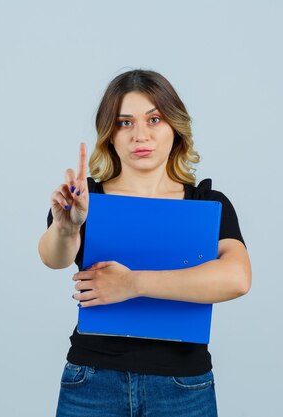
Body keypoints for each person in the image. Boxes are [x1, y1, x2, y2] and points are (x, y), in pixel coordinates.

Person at [38, 69, 252, 417]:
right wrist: (66, 227)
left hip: (183, 386)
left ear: (175, 127)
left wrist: (132, 284)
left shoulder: (206, 203)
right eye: (125, 122)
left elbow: (237, 278)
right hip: (91, 381)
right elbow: (53, 258)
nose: (141, 135)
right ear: (109, 133)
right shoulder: (86, 199)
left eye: (154, 119)